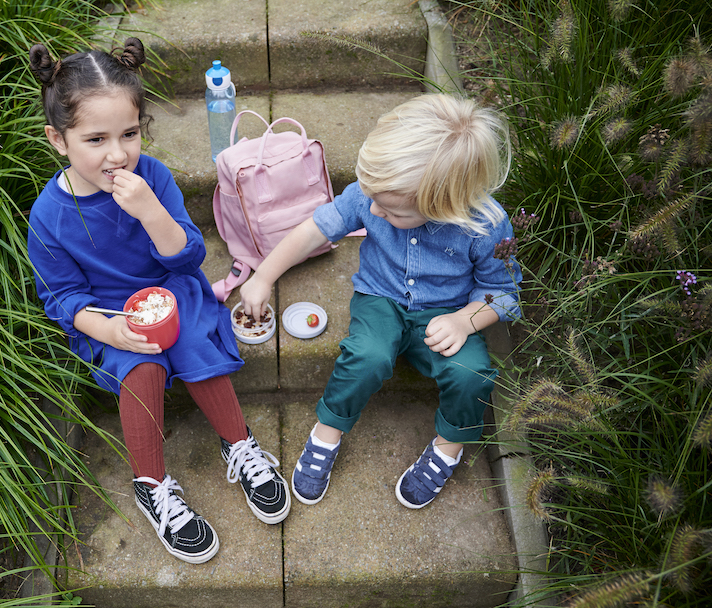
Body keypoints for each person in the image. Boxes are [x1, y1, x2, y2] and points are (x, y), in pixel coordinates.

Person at [26, 39, 290, 564]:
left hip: (171, 289)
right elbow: (62, 296)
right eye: (95, 138)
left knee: (192, 340)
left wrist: (150, 211)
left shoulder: (155, 179)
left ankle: (239, 444)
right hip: (110, 312)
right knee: (141, 366)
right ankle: (152, 483)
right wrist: (105, 329)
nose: (117, 153)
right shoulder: (49, 215)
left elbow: (187, 257)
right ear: (59, 139)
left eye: (129, 133)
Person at [240, 93, 522, 510]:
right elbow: (315, 230)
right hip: (381, 298)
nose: (372, 210)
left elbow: (502, 291)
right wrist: (263, 276)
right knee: (367, 355)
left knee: (472, 373)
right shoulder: (375, 195)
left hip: (449, 312)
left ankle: (449, 447)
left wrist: (465, 321)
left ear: (442, 205)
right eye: (372, 199)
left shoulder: (486, 225)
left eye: (390, 211)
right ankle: (327, 432)